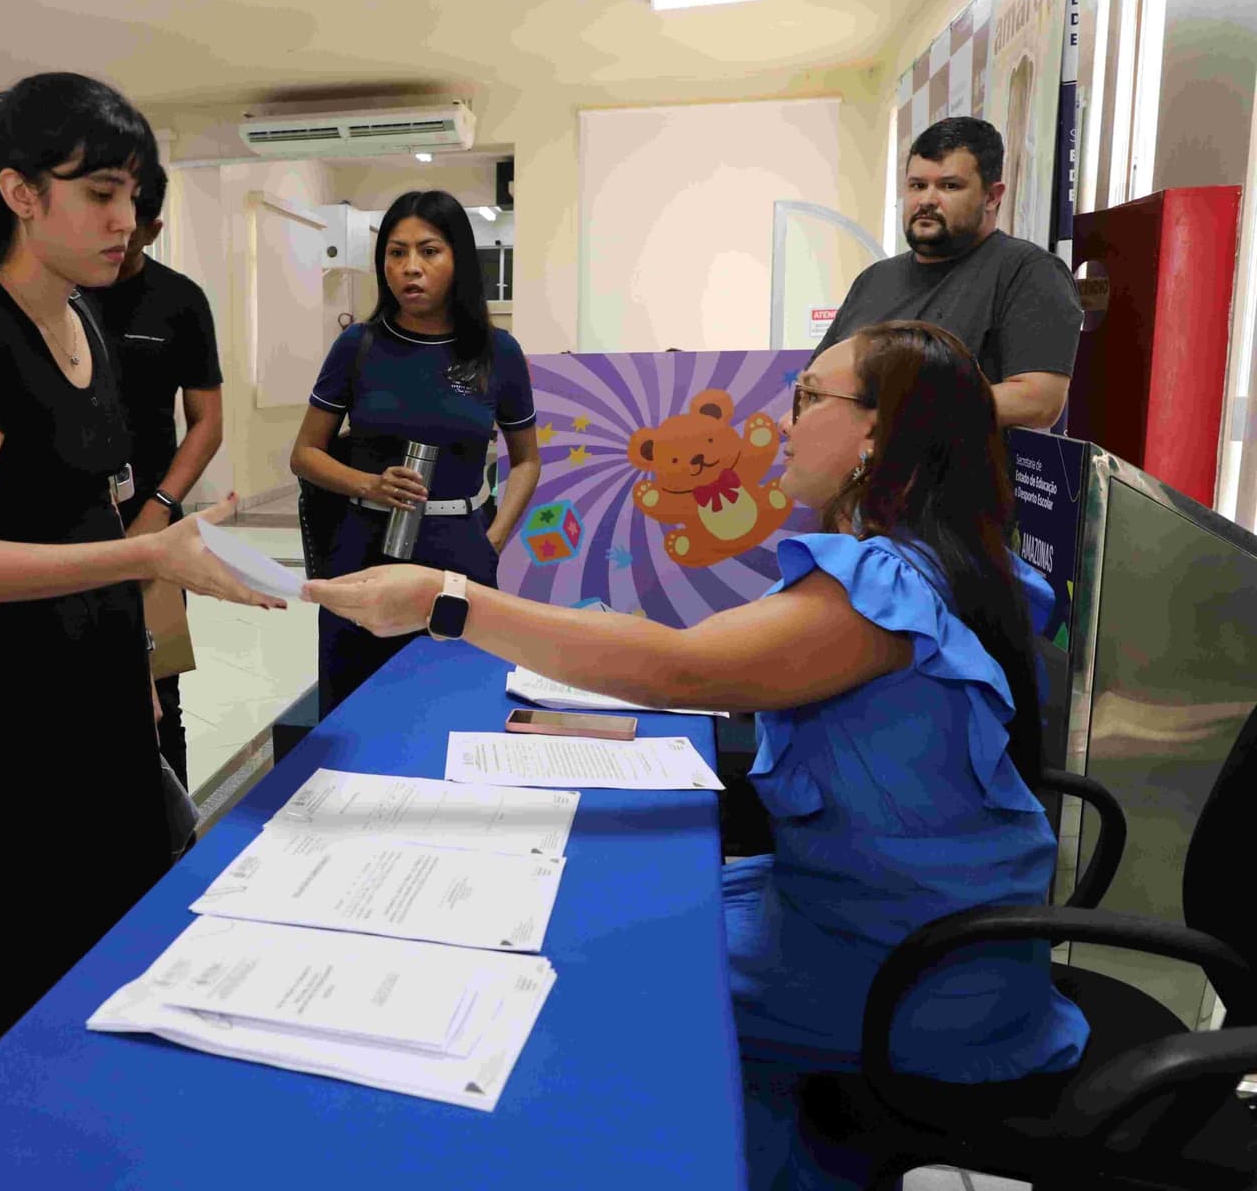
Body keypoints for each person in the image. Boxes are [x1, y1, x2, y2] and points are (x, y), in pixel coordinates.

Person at [308, 319, 1089, 1190]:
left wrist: (447, 600)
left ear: (876, 431)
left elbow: (680, 666)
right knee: (614, 926)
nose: (787, 422)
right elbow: (709, 654)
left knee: (595, 990)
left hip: (908, 975)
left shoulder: (883, 594)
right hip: (897, 923)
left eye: (809, 398)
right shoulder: (940, 560)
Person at [0, 74, 281, 1068]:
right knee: (32, 962)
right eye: (101, 193)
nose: (127, 218)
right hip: (11, 705)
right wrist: (151, 549)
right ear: (21, 192)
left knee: (127, 934)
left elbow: (90, 508)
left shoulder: (85, 325)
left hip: (103, 685)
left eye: (133, 194)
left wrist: (139, 676)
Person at [290, 189, 541, 715]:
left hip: (460, 553)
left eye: (429, 251)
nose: (410, 268)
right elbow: (305, 454)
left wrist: (492, 539)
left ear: (459, 259)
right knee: (355, 703)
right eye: (396, 253)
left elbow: (526, 460)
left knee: (457, 703)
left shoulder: (499, 353)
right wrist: (368, 485)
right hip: (364, 550)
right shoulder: (357, 345)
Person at [82, 155, 224, 786]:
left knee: (160, 695)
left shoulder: (180, 302)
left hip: (153, 526)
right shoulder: (58, 291)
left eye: (128, 220)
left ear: (153, 227)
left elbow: (207, 423)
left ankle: (173, 847)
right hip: (65, 527)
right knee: (76, 693)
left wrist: (159, 509)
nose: (112, 229)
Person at [812, 118, 1081, 430]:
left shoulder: (1027, 272)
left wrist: (899, 414)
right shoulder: (873, 280)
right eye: (917, 185)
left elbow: (1037, 400)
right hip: (854, 475)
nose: (927, 200)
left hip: (956, 476)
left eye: (949, 186)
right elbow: (818, 380)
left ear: (992, 196)